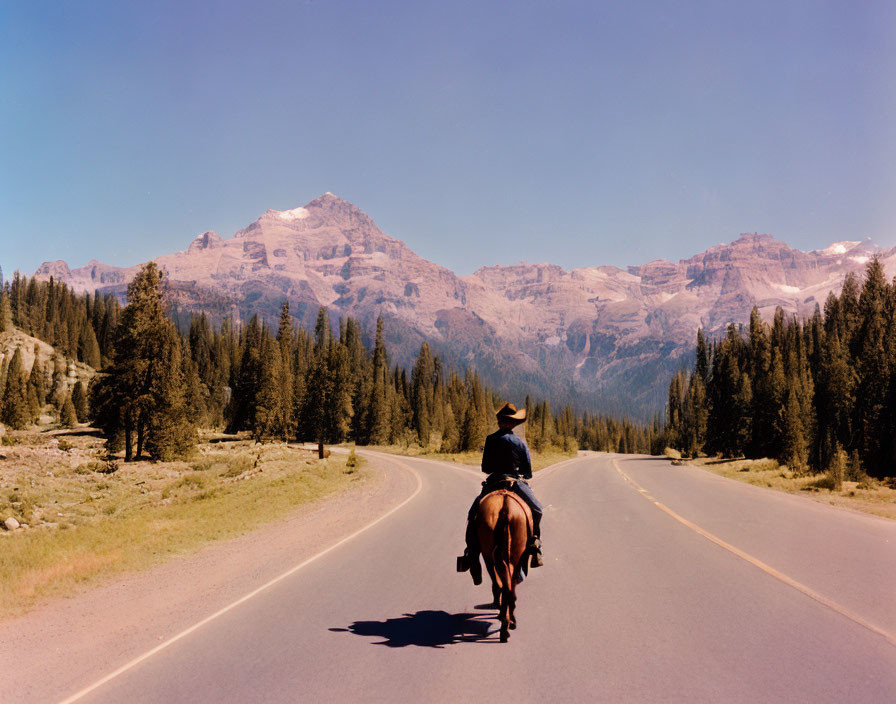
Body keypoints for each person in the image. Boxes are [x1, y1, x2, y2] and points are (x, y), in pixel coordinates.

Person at [457, 402, 544, 584]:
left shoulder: (490, 440)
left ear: (499, 422)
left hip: (493, 483)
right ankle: (535, 546)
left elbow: (485, 467)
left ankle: (471, 555)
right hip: (515, 483)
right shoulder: (519, 442)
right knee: (537, 510)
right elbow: (528, 472)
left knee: (473, 515)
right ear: (513, 424)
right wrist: (521, 473)